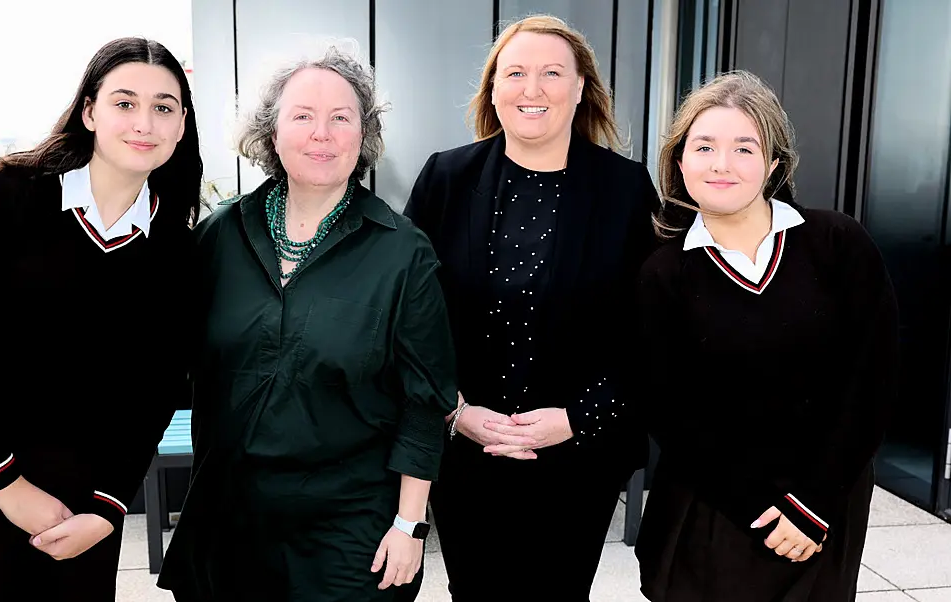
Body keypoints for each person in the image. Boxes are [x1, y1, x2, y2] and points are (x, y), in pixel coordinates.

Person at [0, 37, 201, 602]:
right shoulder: (1, 200)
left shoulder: (176, 250)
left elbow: (155, 389)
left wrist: (108, 510)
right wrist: (6, 486)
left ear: (182, 126)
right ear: (89, 111)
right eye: (124, 102)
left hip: (76, 496)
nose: (145, 122)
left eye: (164, 107)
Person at [155, 46, 457, 602]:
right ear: (271, 132)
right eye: (302, 115)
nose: (323, 133)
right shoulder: (218, 238)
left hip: (350, 531)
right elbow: (158, 360)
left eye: (341, 117)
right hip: (229, 523)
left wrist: (410, 524)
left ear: (362, 135)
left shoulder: (403, 252)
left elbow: (424, 401)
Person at [401, 14, 659, 601]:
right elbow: (409, 319)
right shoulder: (446, 177)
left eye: (551, 73)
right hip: (467, 453)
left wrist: (574, 419)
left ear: (581, 89)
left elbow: (646, 333)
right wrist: (454, 409)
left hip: (578, 456)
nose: (532, 89)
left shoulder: (624, 190)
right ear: (493, 89)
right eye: (514, 73)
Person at [634, 70, 899, 601]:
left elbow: (874, 381)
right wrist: (758, 506)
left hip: (823, 511)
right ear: (680, 160)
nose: (722, 164)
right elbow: (669, 408)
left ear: (774, 163)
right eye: (704, 146)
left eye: (744, 148)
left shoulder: (837, 243)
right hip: (711, 510)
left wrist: (811, 507)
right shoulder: (664, 272)